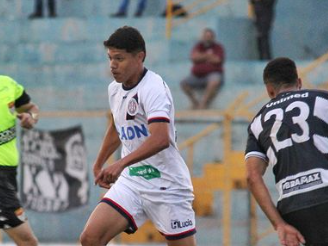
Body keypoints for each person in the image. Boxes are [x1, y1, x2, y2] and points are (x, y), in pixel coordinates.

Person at [80, 26, 197, 246]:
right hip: (132, 180)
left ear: (139, 57)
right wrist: (100, 162)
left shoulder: (153, 88)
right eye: (110, 58)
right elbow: (118, 125)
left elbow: (161, 139)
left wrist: (119, 164)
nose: (113, 65)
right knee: (90, 238)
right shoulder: (114, 89)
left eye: (119, 58)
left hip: (167, 184)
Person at [245, 57, 328, 245]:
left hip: (293, 206)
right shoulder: (323, 100)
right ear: (299, 82)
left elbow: (252, 177)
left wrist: (279, 224)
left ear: (269, 91)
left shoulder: (258, 122)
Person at [0, 75, 39, 245]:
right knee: (28, 242)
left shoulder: (8, 84)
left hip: (8, 172)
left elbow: (32, 108)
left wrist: (31, 117)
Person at [180, 28, 225, 109]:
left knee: (214, 81)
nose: (208, 38)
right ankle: (195, 103)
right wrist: (208, 55)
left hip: (212, 74)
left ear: (213, 37)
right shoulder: (198, 46)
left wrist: (201, 57)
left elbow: (217, 60)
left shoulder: (218, 47)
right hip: (197, 76)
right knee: (183, 83)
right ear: (203, 37)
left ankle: (203, 104)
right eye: (206, 36)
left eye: (210, 36)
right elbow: (194, 58)